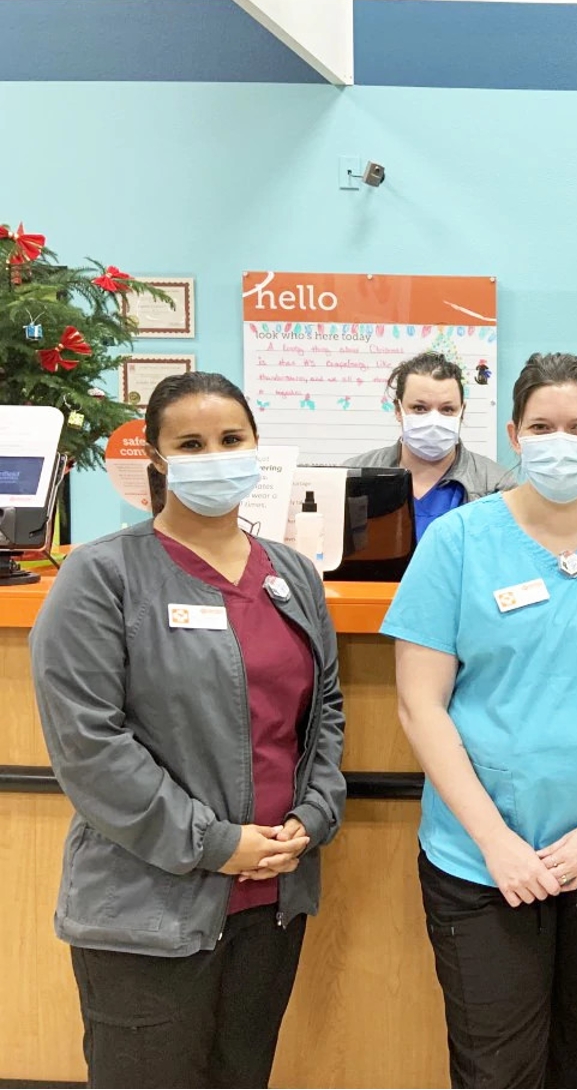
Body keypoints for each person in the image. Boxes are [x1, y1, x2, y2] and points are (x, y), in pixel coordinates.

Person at [384, 352, 577, 1089]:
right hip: (482, 860)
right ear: (516, 435)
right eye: (543, 425)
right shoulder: (456, 543)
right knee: (497, 1066)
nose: (562, 440)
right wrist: (497, 843)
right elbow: (419, 703)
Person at [31, 371, 347, 1089]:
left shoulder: (294, 574)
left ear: (257, 447)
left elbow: (325, 707)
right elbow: (89, 745)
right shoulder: (102, 576)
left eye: (232, 439)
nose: (216, 455)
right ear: (161, 459)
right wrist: (216, 842)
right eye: (192, 443)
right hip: (148, 908)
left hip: (272, 902)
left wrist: (315, 813)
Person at [345, 351, 516, 541]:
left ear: (462, 412)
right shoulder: (352, 477)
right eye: (420, 408)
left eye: (447, 409)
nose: (434, 420)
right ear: (398, 410)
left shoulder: (496, 486)